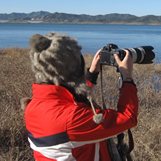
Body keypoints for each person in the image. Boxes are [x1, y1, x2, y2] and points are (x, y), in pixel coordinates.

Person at [22, 32, 138, 160]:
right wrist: (127, 78)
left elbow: (69, 97)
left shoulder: (33, 106)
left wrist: (92, 73)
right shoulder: (71, 119)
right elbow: (127, 118)